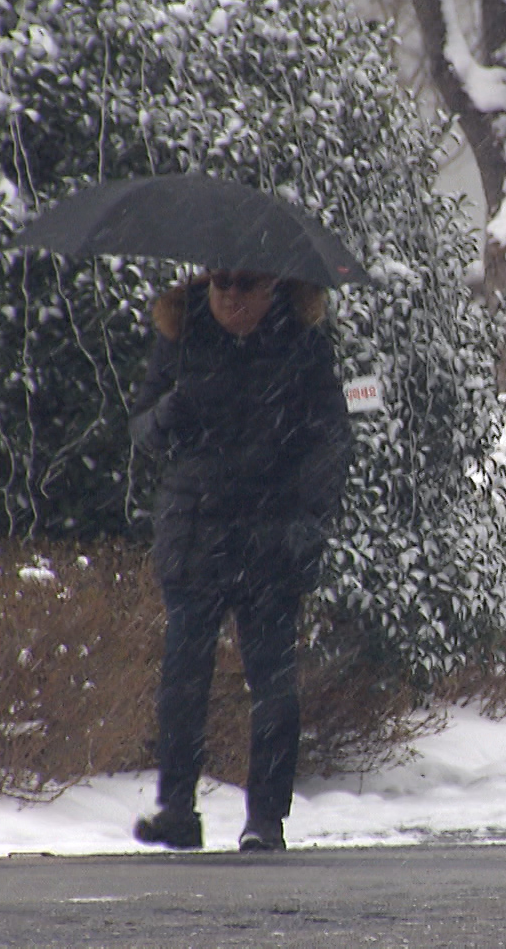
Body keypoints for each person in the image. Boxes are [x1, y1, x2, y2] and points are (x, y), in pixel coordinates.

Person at [128, 268, 353, 853]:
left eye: (246, 285)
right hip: (197, 533)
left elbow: (331, 437)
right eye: (220, 284)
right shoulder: (181, 338)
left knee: (274, 684)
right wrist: (172, 410)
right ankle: (177, 810)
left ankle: (265, 820)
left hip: (270, 535)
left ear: (274, 287)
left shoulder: (301, 346)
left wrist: (306, 516)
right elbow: (143, 428)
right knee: (182, 680)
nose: (231, 297)